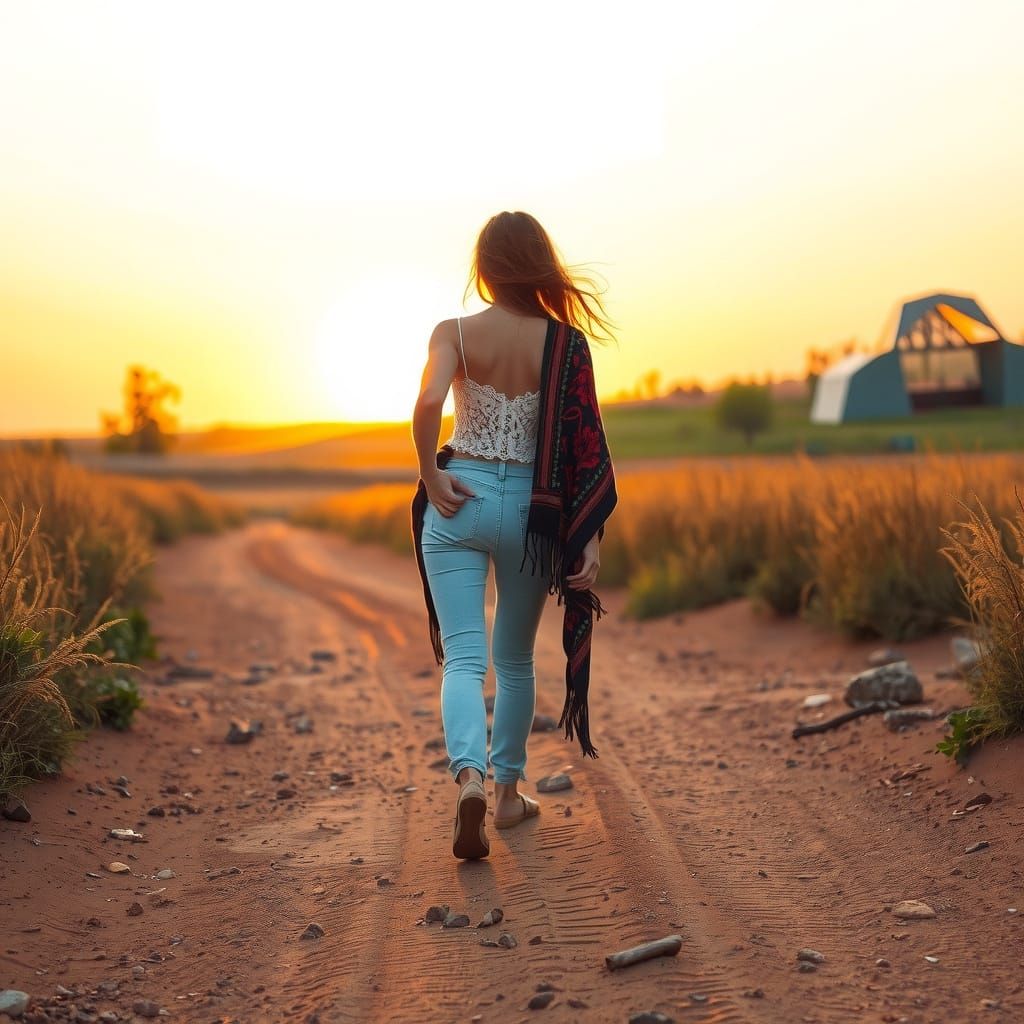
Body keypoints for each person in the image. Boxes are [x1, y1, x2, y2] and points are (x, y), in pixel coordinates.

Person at [411, 211, 617, 860]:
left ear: (484, 269)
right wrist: (590, 536)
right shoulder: (566, 345)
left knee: (466, 659)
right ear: (539, 264)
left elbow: (424, 406)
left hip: (460, 500)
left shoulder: (454, 332)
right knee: (516, 659)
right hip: (534, 513)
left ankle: (468, 779)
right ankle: (506, 796)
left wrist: (428, 473)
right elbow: (586, 444)